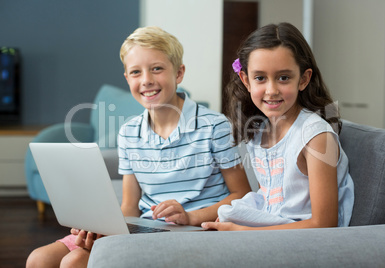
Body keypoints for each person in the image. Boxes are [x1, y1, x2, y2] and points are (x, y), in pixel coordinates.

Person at [26, 26, 251, 268]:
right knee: (39, 259)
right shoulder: (129, 133)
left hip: (197, 228)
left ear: (179, 72)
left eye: (157, 69)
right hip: (144, 228)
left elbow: (242, 195)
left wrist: (190, 216)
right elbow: (130, 206)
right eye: (136, 72)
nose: (146, 80)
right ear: (127, 78)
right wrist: (99, 229)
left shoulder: (214, 126)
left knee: (74, 262)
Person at [201, 22, 354, 231]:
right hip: (274, 230)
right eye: (260, 78)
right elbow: (271, 203)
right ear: (246, 81)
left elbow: (324, 223)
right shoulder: (259, 131)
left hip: (305, 240)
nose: (271, 90)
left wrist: (247, 233)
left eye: (283, 78)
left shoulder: (316, 136)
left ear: (303, 79)